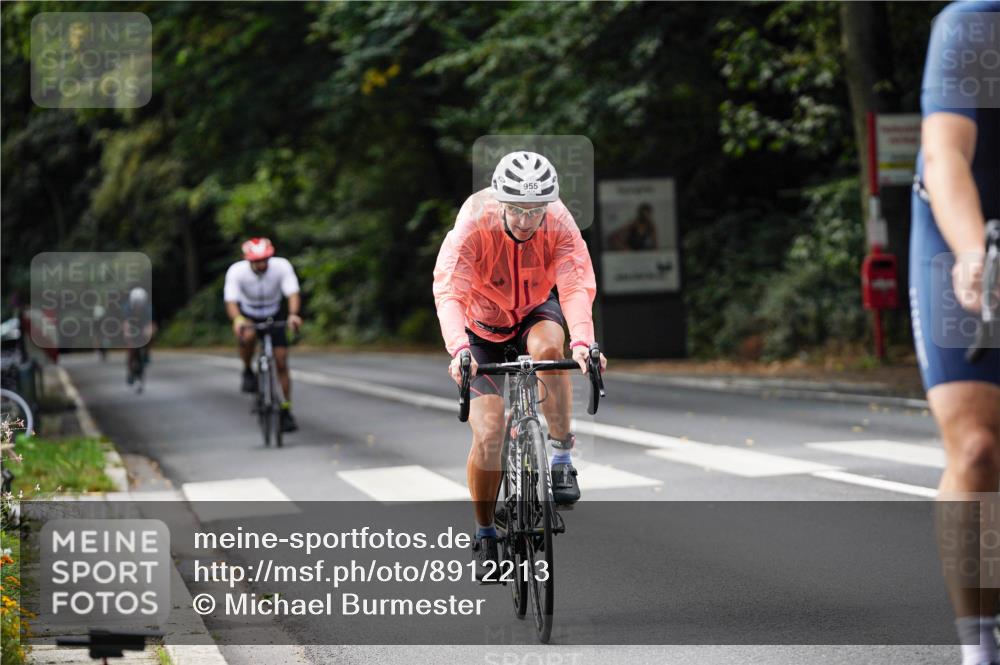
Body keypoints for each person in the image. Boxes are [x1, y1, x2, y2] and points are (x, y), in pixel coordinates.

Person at [433, 151, 607, 580]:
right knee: (490, 432)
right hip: (481, 329)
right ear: (501, 201)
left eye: (536, 210)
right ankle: (486, 531)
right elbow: (449, 293)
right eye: (518, 209)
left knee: (553, 348)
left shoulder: (560, 223)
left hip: (533, 310)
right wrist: (459, 350)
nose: (527, 220)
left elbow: (575, 285)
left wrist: (584, 342)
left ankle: (562, 455)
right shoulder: (474, 224)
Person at [909, 3, 1000, 664]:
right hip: (962, 227)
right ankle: (979, 641)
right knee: (976, 447)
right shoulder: (975, 23)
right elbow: (945, 157)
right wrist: (973, 254)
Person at [223, 238, 303, 433]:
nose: (261, 264)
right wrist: (238, 320)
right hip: (248, 314)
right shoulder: (236, 271)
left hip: (273, 314)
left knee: (282, 361)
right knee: (247, 337)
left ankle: (285, 410)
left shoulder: (282, 266)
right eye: (257, 261)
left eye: (265, 260)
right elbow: (231, 300)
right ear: (248, 260)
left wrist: (293, 315)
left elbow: (292, 293)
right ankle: (247, 369)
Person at [124, 287, 156, 385]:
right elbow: (126, 323)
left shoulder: (149, 309)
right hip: (132, 326)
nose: (138, 306)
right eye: (136, 304)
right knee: (130, 348)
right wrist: (127, 334)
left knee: (151, 333)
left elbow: (151, 324)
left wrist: (149, 333)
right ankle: (129, 372)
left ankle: (147, 353)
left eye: (140, 304)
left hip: (143, 325)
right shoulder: (127, 308)